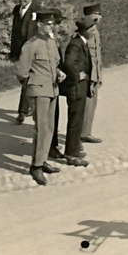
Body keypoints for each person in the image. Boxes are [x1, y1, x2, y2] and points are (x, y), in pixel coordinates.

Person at [16, 10, 64, 186]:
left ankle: (42, 160)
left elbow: (55, 63)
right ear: (39, 25)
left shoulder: (51, 42)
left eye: (52, 24)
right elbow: (21, 72)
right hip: (38, 91)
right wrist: (31, 86)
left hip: (52, 89)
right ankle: (35, 166)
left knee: (50, 128)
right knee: (41, 128)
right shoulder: (31, 45)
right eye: (48, 24)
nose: (52, 26)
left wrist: (59, 73)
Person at [57, 18, 94, 167]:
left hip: (80, 88)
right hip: (76, 88)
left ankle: (74, 150)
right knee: (75, 122)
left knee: (77, 121)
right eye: (91, 29)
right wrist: (78, 74)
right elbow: (69, 63)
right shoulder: (75, 44)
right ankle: (71, 155)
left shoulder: (81, 42)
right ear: (84, 30)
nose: (93, 32)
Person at [9, 0, 40, 124]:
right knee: (23, 77)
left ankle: (22, 111)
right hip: (20, 50)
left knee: (27, 78)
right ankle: (29, 106)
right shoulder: (17, 10)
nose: (22, 0)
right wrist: (13, 52)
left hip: (33, 49)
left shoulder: (37, 8)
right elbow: (15, 32)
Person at [80, 3, 104, 143]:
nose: (100, 17)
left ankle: (86, 131)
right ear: (92, 16)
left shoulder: (95, 32)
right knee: (87, 105)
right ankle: (83, 133)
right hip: (88, 74)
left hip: (94, 74)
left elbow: (98, 57)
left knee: (92, 104)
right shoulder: (87, 32)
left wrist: (99, 76)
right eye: (98, 14)